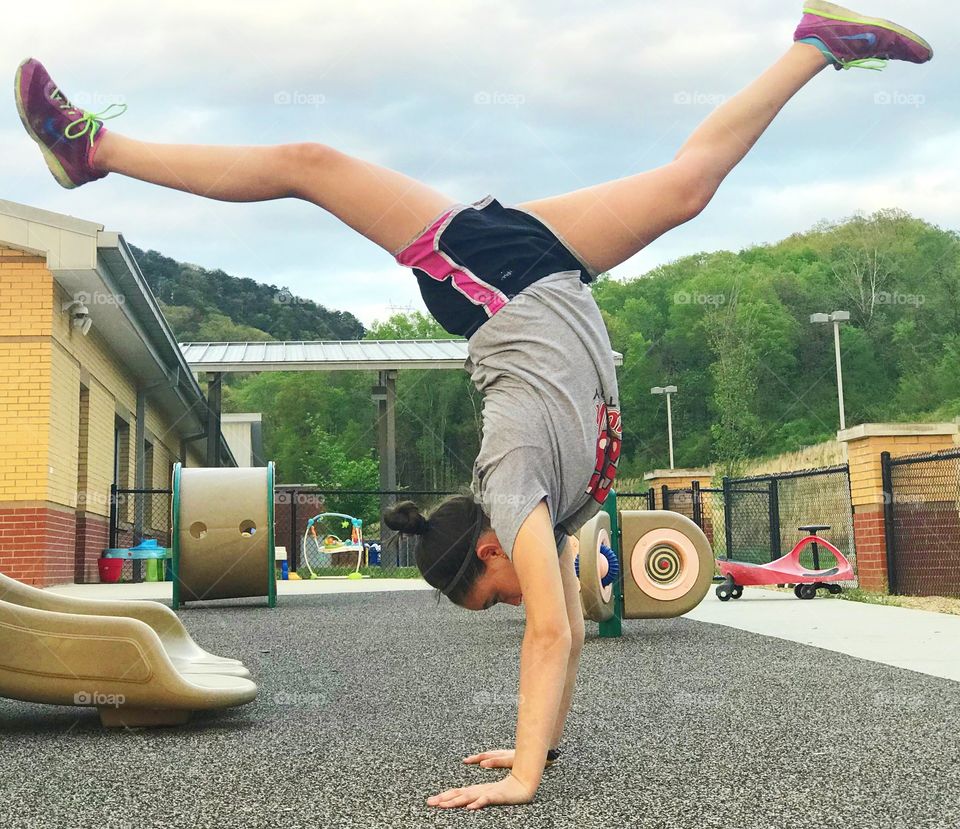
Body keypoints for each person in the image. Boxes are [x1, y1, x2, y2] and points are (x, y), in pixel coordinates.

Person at [13, 1, 932, 810]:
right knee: (689, 188)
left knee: (309, 161)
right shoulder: (555, 509)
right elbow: (565, 625)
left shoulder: (511, 485)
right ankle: (817, 42)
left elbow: (543, 624)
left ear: (491, 546)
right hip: (550, 269)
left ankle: (93, 150)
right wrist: (538, 746)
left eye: (490, 592)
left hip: (494, 281)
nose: (512, 600)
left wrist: (521, 778)